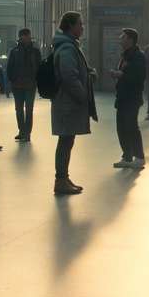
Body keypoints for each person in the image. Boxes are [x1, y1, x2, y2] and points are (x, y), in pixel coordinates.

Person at [52, 11, 97, 195]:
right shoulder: (68, 48)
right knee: (65, 141)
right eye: (80, 24)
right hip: (68, 104)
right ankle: (60, 180)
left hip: (67, 102)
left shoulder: (67, 46)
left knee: (67, 141)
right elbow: (69, 76)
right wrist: (82, 96)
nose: (83, 27)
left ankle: (63, 178)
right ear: (71, 26)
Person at [111, 28, 146, 169]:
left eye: (123, 37)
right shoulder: (125, 55)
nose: (120, 38)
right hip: (122, 96)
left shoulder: (138, 56)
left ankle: (139, 157)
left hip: (132, 97)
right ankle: (127, 156)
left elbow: (139, 77)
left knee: (131, 126)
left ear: (130, 40)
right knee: (121, 127)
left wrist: (121, 75)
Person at [7, 28, 41, 142]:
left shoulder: (35, 51)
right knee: (19, 109)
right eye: (23, 36)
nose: (25, 38)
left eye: (26, 36)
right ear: (20, 37)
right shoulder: (14, 51)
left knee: (29, 110)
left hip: (30, 85)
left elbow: (39, 67)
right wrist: (12, 79)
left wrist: (37, 80)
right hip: (18, 85)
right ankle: (22, 131)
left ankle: (27, 133)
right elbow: (10, 67)